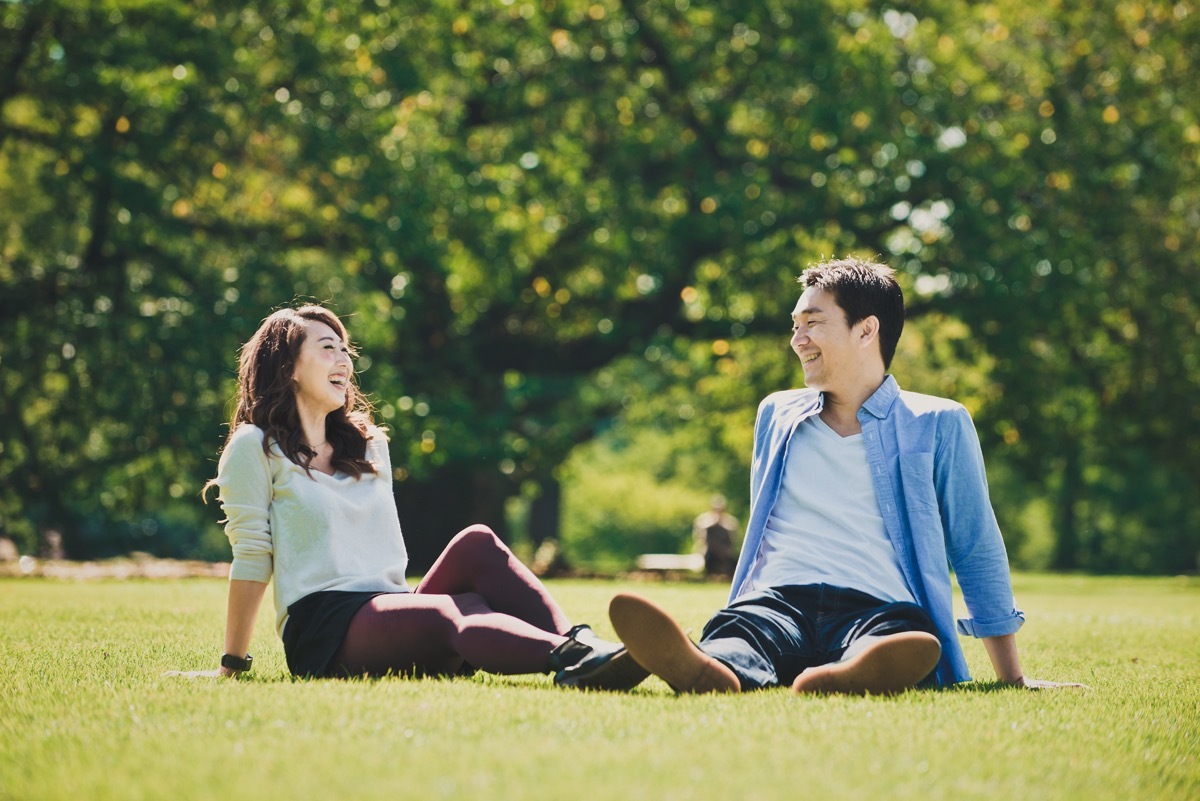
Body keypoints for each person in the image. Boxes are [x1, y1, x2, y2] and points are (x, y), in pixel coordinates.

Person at [609, 257, 1085, 695]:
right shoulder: (776, 414)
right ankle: (713, 668)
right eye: (795, 326)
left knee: (899, 637)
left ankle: (855, 673)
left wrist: (1013, 676)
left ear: (866, 330)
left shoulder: (938, 422)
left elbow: (975, 543)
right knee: (745, 631)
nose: (798, 339)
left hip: (878, 606)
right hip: (779, 597)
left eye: (813, 323)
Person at [186, 304, 647, 690]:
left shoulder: (368, 446)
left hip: (391, 607)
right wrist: (232, 663)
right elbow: (252, 556)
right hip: (326, 628)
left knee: (477, 541)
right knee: (454, 610)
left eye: (345, 350)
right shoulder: (254, 446)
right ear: (286, 367)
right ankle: (572, 656)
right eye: (327, 349)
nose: (343, 360)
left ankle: (581, 644)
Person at [692, 495, 738, 578]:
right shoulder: (704, 519)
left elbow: (733, 538)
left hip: (725, 554)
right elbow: (699, 536)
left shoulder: (730, 521)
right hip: (709, 552)